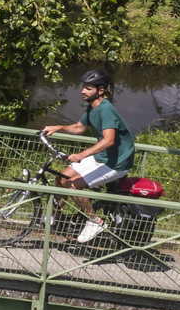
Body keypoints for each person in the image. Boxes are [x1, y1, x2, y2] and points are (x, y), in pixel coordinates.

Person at [42, 68, 136, 244]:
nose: (83, 91)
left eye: (88, 88)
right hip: (104, 157)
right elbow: (79, 127)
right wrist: (58, 127)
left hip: (117, 163)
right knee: (61, 180)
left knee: (72, 186)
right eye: (83, 87)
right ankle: (56, 217)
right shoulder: (92, 107)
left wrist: (81, 154)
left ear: (100, 91)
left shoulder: (106, 110)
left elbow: (108, 140)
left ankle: (95, 222)